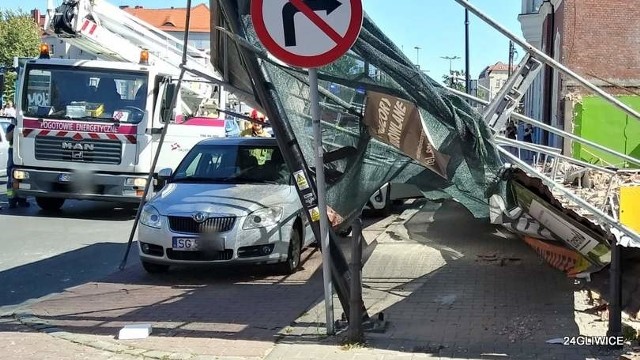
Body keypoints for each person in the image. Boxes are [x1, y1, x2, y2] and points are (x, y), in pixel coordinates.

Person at [5, 116, 29, 208]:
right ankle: (11, 200)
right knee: (11, 176)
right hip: (13, 152)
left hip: (23, 152)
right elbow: (7, 137)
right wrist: (15, 128)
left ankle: (22, 200)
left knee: (22, 177)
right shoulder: (12, 125)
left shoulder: (27, 125)